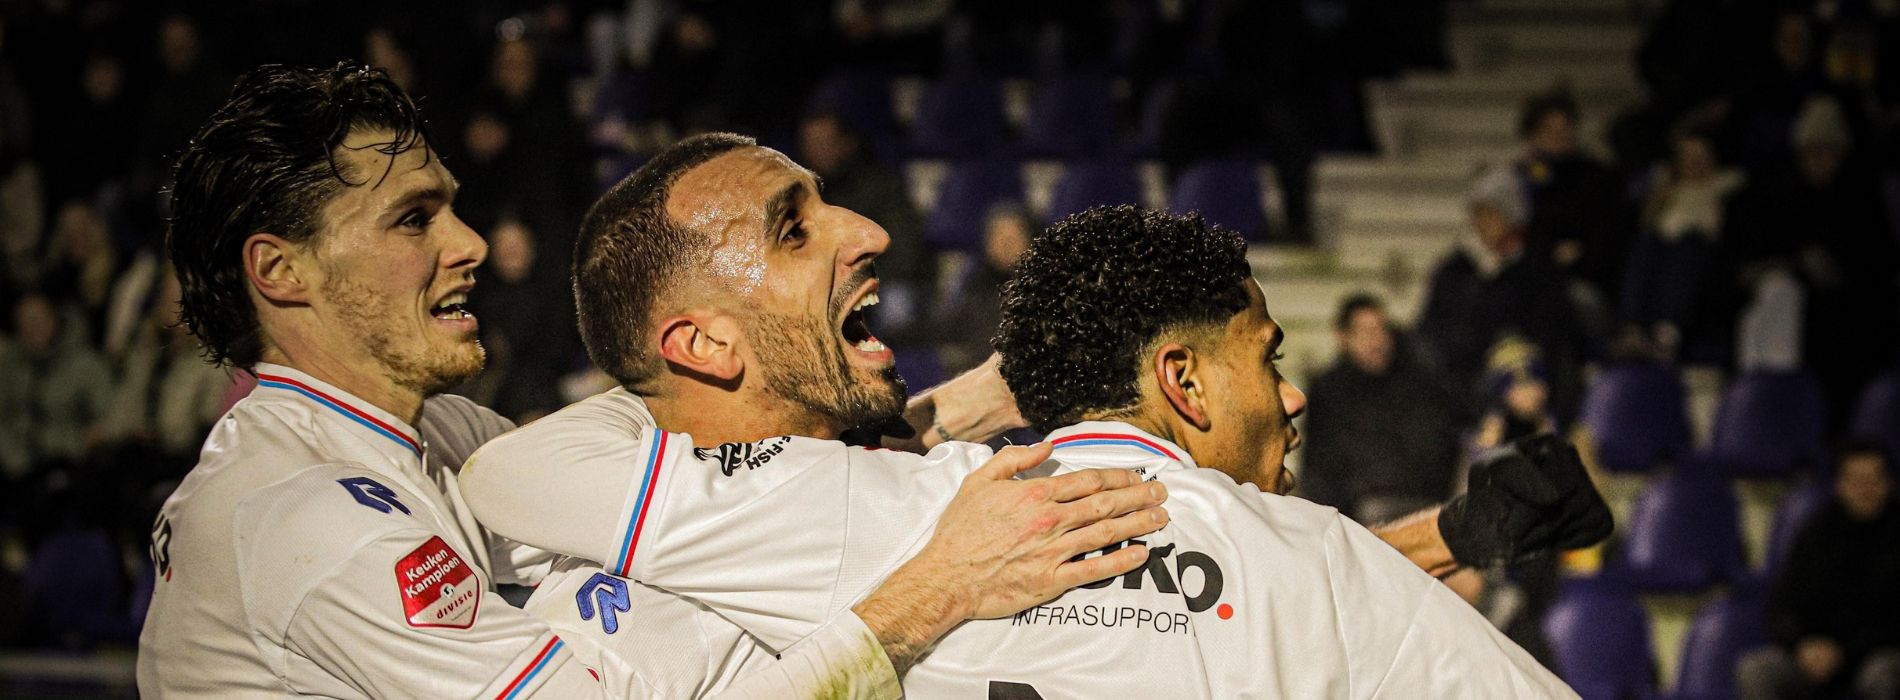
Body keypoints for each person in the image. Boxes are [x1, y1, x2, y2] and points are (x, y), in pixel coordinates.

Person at [137, 64, 1167, 699]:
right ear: (281, 272)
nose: (470, 245)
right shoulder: (307, 520)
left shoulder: (443, 436)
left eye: (451, 206)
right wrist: (929, 594)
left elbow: (733, 470)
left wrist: (977, 399)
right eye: (413, 220)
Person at [457, 137, 1608, 694]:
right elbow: (1258, 591)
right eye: (797, 226)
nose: (869, 230)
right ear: (1179, 378)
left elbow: (517, 473)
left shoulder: (870, 508)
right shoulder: (937, 528)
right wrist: (929, 575)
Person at [1737, 442, 1900, 700]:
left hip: (1871, 656)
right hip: (1811, 656)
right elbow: (1782, 605)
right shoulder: (1816, 534)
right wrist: (1801, 645)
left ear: (1888, 483)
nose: (1865, 489)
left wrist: (1845, 652)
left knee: (1885, 671)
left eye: (1873, 480)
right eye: (1856, 481)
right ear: (1840, 485)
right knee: (1756, 669)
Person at [1299, 294, 1468, 523]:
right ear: (1343, 337)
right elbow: (1317, 466)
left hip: (1419, 503)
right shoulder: (1328, 391)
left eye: (1381, 330)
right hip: (1354, 512)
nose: (1377, 342)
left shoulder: (1419, 384)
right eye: (1365, 332)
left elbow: (1439, 447)